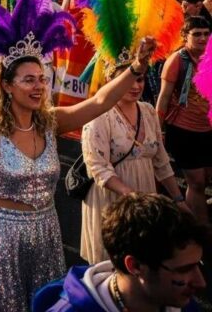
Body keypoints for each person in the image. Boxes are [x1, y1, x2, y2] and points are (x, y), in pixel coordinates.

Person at [0, 0, 156, 312]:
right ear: (6, 85)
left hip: (46, 233)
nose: (39, 86)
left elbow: (100, 101)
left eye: (42, 79)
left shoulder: (49, 122)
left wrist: (136, 66)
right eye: (28, 80)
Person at [79, 56, 184, 263]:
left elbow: (161, 161)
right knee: (113, 266)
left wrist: (178, 199)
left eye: (141, 79)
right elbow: (97, 167)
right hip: (112, 201)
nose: (136, 86)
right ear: (112, 81)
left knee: (144, 263)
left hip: (143, 196)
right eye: (129, 80)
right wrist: (131, 195)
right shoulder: (98, 114)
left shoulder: (148, 111)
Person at [33, 193, 207, 311]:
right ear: (135, 265)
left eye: (198, 265)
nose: (201, 283)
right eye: (184, 269)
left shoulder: (180, 303)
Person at [156, 16, 212, 223]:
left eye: (206, 34)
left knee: (205, 179)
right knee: (196, 183)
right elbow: (163, 99)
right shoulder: (177, 61)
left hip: (208, 130)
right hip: (183, 131)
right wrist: (158, 131)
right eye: (196, 34)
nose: (203, 38)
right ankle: (201, 230)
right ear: (185, 37)